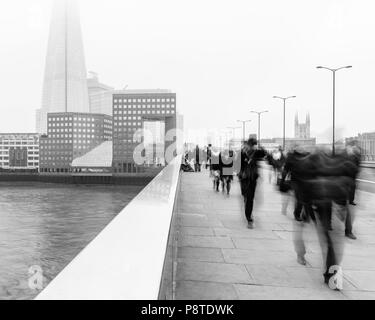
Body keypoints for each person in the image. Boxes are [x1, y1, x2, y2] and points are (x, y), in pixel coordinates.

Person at [238, 138, 266, 229]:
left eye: (254, 145)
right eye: (252, 145)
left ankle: (249, 218)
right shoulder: (242, 153)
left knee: (250, 198)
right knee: (245, 196)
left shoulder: (257, 152)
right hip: (244, 178)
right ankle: (248, 211)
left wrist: (260, 147)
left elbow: (264, 154)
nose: (252, 147)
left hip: (252, 178)